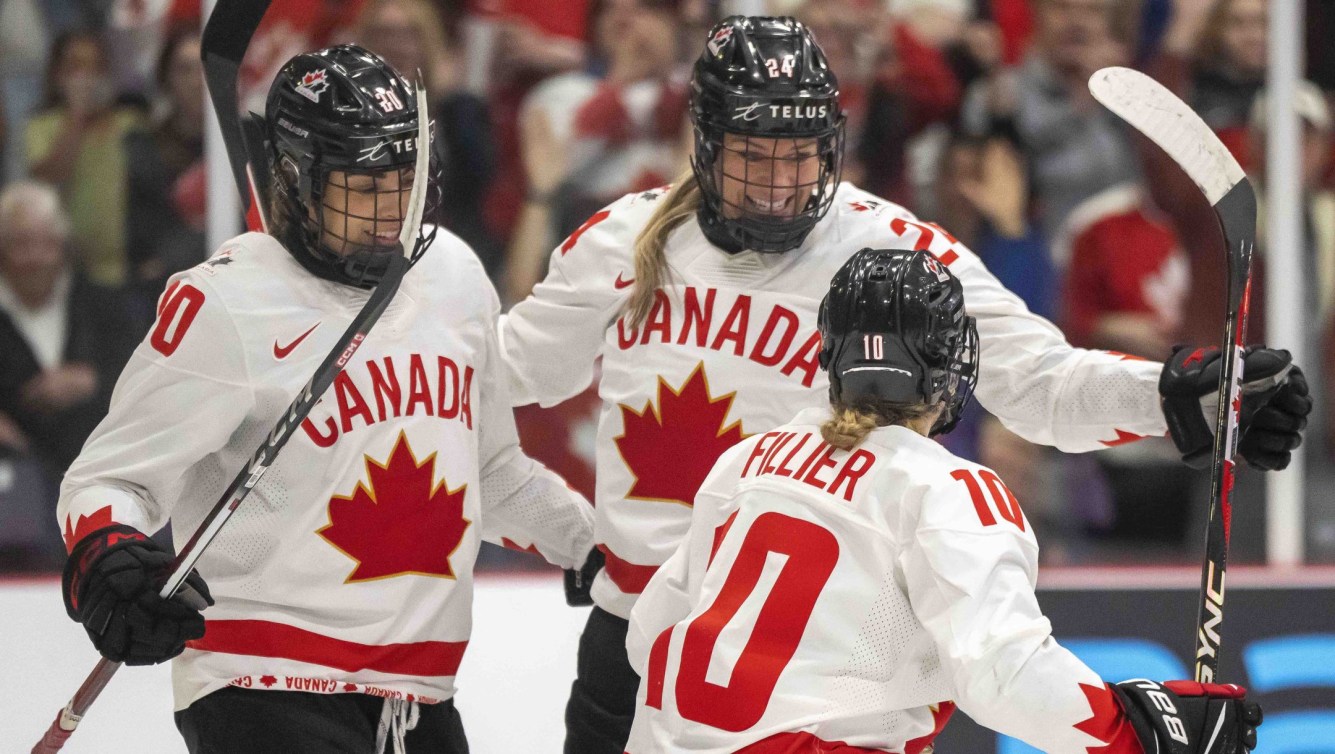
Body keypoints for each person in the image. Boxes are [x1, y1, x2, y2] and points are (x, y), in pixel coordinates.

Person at [498, 17, 1308, 754]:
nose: (780, 182)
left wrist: (1170, 394)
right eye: (753, 154)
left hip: (814, 654)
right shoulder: (623, 242)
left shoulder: (889, 253)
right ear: (704, 143)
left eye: (800, 154)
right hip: (639, 644)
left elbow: (1038, 380)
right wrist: (557, 525)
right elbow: (489, 382)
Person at [56, 45, 593, 753]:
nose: (391, 210)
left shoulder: (454, 277)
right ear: (296, 179)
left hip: (418, 693)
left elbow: (488, 472)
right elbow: (110, 477)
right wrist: (108, 554)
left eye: (405, 181)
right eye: (363, 187)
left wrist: (590, 542)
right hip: (261, 682)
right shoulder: (226, 303)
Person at [623, 247, 1263, 754]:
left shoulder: (749, 459)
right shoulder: (947, 491)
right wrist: (1141, 734)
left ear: (830, 356)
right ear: (951, 366)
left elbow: (650, 633)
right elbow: (1002, 676)